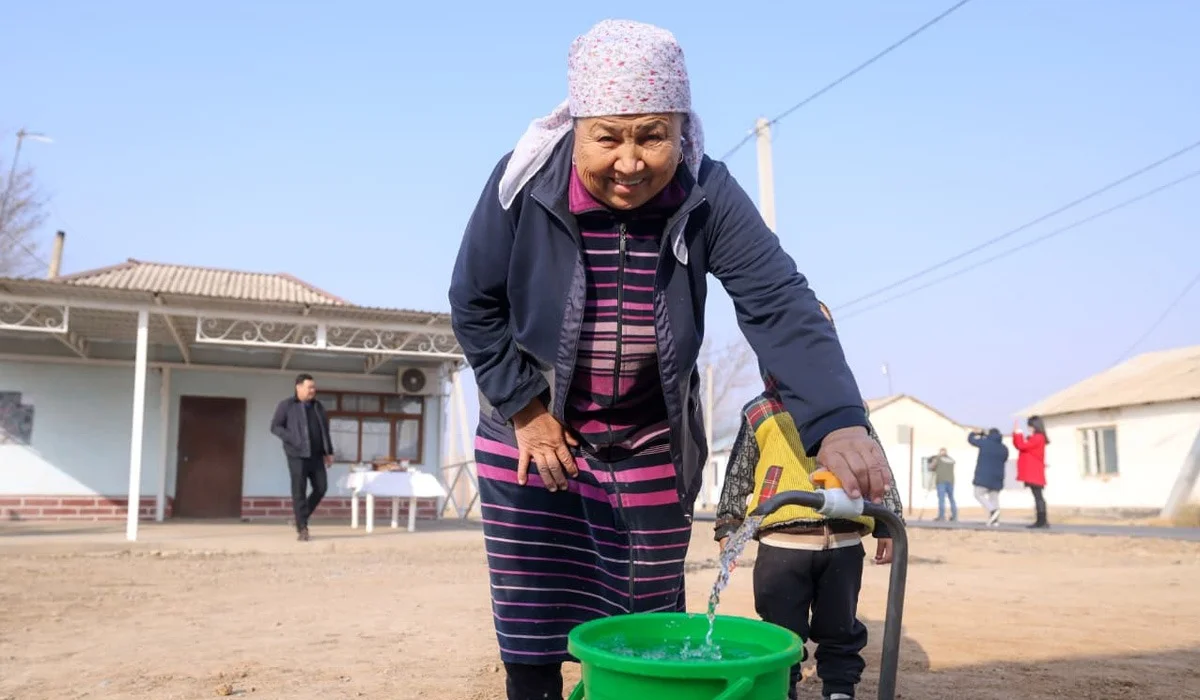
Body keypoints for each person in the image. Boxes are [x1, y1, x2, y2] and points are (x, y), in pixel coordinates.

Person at [447, 19, 894, 700]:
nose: (630, 162)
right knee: (533, 617)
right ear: (576, 129)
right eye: (608, 138)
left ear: (682, 130)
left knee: (650, 614)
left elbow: (777, 298)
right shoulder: (524, 186)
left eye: (653, 135)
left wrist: (838, 418)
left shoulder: (706, 191)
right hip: (533, 429)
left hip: (650, 436)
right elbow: (474, 303)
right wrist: (526, 411)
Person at [714, 302, 904, 700]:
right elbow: (739, 474)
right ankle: (783, 690)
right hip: (783, 545)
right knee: (780, 632)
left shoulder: (851, 415)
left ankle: (839, 691)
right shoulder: (761, 412)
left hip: (843, 542)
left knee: (840, 627)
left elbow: (874, 464)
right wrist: (729, 525)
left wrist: (888, 521)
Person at [269, 373, 333, 541]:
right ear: (298, 387)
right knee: (299, 491)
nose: (313, 390)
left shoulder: (318, 406)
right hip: (297, 455)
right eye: (309, 387)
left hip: (316, 455)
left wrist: (329, 452)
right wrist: (293, 439)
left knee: (321, 487)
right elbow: (275, 427)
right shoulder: (287, 405)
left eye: (314, 387)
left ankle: (300, 517)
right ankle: (302, 528)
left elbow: (325, 431)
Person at [1013, 416, 1050, 528]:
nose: (1029, 428)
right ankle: (1041, 520)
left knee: (1038, 496)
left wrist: (1018, 433)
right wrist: (1017, 434)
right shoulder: (1035, 438)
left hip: (1034, 472)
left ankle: (1041, 521)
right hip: (1034, 472)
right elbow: (1019, 446)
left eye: (1030, 425)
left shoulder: (1038, 438)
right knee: (1037, 496)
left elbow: (1021, 445)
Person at [968, 428, 1008, 527]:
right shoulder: (1004, 448)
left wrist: (974, 433)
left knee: (978, 494)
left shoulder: (985, 443)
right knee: (994, 497)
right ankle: (995, 521)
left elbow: (971, 440)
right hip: (998, 476)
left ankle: (992, 511)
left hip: (984, 475)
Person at [928, 447, 957, 522]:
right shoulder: (951, 460)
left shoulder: (938, 458)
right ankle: (954, 516)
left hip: (941, 481)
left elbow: (931, 467)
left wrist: (933, 462)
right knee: (951, 498)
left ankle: (941, 517)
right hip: (951, 481)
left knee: (941, 499)